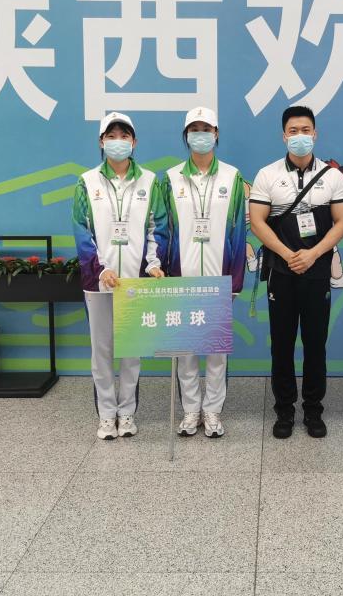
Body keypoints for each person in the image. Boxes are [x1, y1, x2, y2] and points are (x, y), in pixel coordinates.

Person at [249, 105, 343, 439]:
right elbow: (258, 222)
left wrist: (313, 254)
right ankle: (284, 410)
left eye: (306, 130)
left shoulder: (333, 177)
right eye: (293, 131)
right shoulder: (267, 175)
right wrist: (287, 254)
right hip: (280, 272)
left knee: (315, 343)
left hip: (317, 272)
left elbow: (342, 222)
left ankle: (313, 410)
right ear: (284, 136)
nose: (300, 136)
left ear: (315, 134)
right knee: (281, 344)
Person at [155, 107, 247, 438]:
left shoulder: (232, 177)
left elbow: (238, 232)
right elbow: (163, 230)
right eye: (194, 129)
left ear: (216, 133)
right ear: (186, 136)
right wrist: (162, 270)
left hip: (219, 277)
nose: (200, 135)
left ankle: (213, 411)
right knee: (186, 350)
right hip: (182, 276)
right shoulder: (170, 179)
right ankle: (191, 410)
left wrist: (234, 281)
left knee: (217, 352)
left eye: (206, 128)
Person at [73, 111, 165, 440]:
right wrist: (101, 269)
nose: (118, 142)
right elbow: (82, 231)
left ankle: (126, 413)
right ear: (101, 142)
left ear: (134, 142)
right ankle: (106, 414)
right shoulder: (87, 182)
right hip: (98, 283)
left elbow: (158, 227)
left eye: (124, 136)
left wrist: (152, 263)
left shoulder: (150, 181)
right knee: (101, 352)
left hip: (135, 282)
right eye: (111, 136)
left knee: (131, 350)